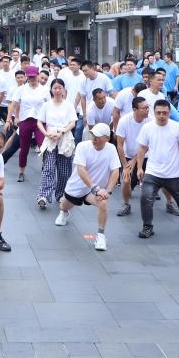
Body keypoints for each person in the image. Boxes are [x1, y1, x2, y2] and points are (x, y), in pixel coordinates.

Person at [134, 99, 179, 239]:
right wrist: (140, 167)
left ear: (169, 113)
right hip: (152, 172)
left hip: (173, 173)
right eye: (158, 113)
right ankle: (147, 227)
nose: (161, 115)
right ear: (154, 113)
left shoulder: (177, 127)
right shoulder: (147, 128)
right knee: (146, 198)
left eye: (164, 113)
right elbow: (141, 148)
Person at [55, 123, 120, 251]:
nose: (94, 138)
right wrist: (94, 187)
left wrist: (108, 190)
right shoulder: (82, 146)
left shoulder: (111, 149)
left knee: (103, 202)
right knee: (64, 205)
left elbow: (115, 171)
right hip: (77, 187)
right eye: (93, 135)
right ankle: (64, 213)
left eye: (98, 136)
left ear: (106, 138)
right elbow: (81, 170)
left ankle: (100, 236)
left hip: (95, 191)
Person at [37, 78, 77, 209]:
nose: (57, 90)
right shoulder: (46, 105)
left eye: (60, 88)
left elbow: (72, 122)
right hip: (50, 138)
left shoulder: (68, 105)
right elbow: (40, 122)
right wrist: (46, 133)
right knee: (48, 168)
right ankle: (43, 195)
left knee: (64, 170)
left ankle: (61, 195)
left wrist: (63, 131)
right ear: (51, 90)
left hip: (64, 137)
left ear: (64, 90)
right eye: (55, 88)